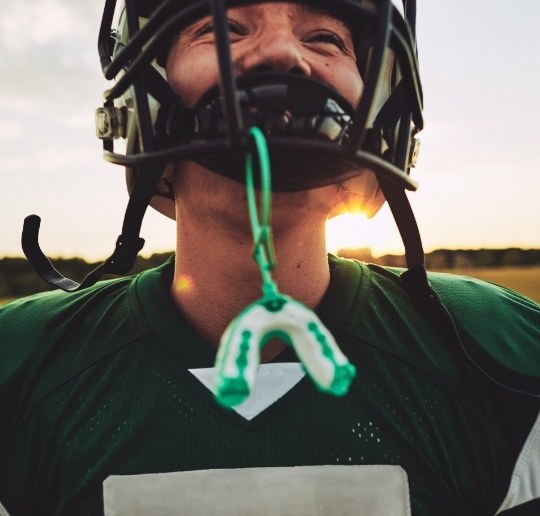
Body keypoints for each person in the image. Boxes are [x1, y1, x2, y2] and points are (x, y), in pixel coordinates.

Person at [0, 0, 539, 514]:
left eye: (324, 38)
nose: (282, 54)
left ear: (377, 107)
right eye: (225, 28)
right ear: (147, 97)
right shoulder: (19, 367)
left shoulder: (503, 357)